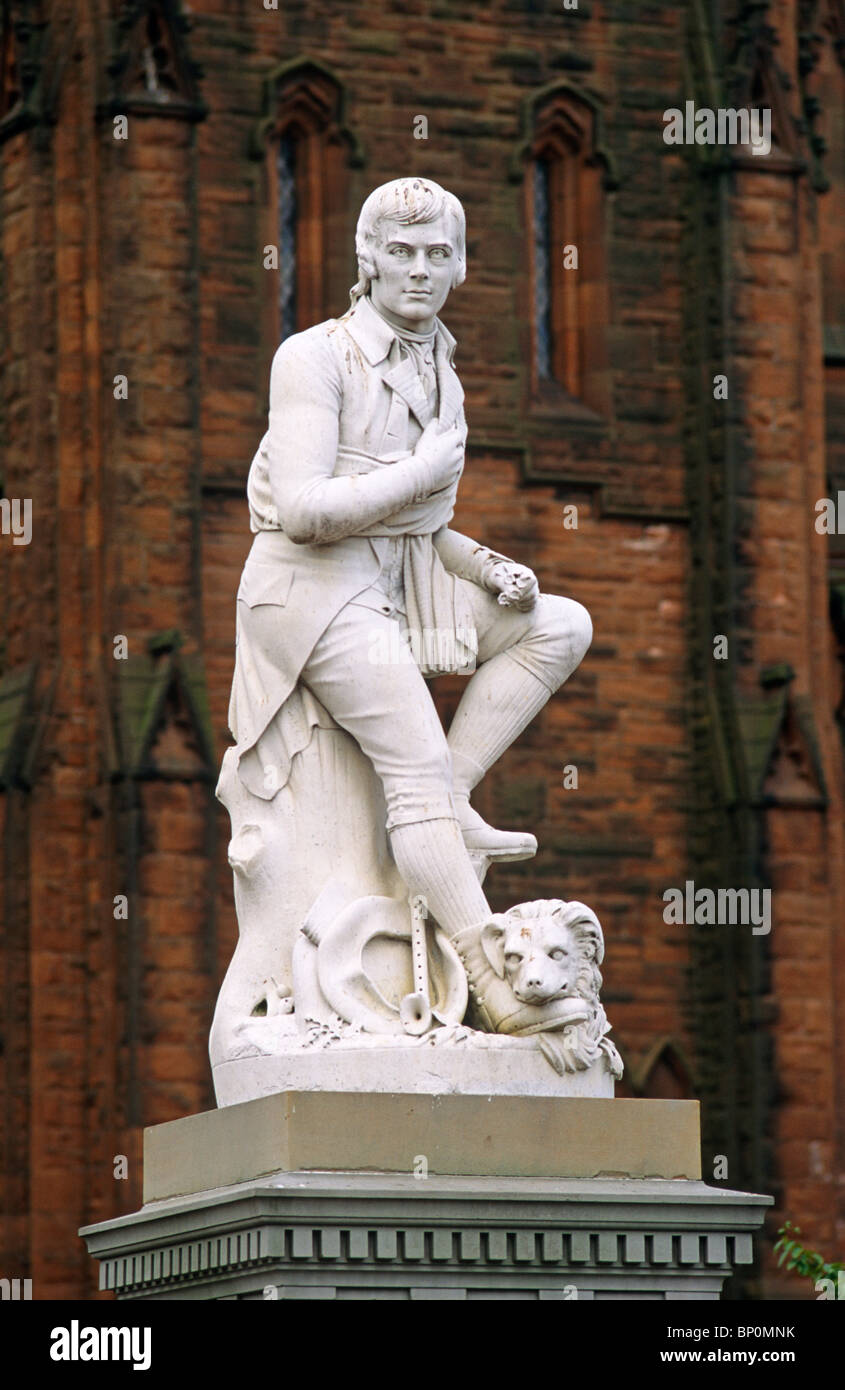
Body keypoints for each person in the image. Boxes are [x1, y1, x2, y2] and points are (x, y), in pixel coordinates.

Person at [227, 177, 592, 1033]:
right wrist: (424, 472)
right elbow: (309, 509)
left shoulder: (440, 368)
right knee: (412, 774)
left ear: (461, 265)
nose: (418, 272)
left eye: (437, 255)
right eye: (400, 253)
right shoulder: (313, 357)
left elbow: (426, 527)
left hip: (399, 581)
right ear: (367, 260)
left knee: (560, 624)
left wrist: (491, 565)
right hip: (310, 591)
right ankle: (493, 982)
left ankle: (445, 807)